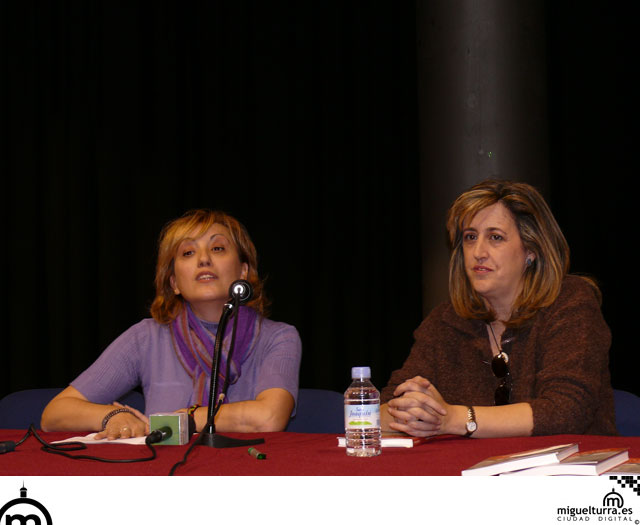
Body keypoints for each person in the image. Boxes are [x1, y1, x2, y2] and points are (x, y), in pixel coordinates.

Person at [380, 179, 615, 438]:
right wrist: (410, 408)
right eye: (470, 237)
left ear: (531, 250)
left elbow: (566, 411)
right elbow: (387, 406)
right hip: (474, 465)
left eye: (495, 237)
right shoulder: (445, 321)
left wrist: (453, 418)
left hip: (574, 462)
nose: (478, 252)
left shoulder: (571, 302)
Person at [41, 209, 302, 439]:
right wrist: (113, 415)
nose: (203, 259)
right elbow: (54, 414)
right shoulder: (146, 337)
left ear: (243, 271)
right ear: (174, 283)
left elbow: (269, 418)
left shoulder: (279, 337)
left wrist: (182, 419)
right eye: (188, 252)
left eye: (217, 248)